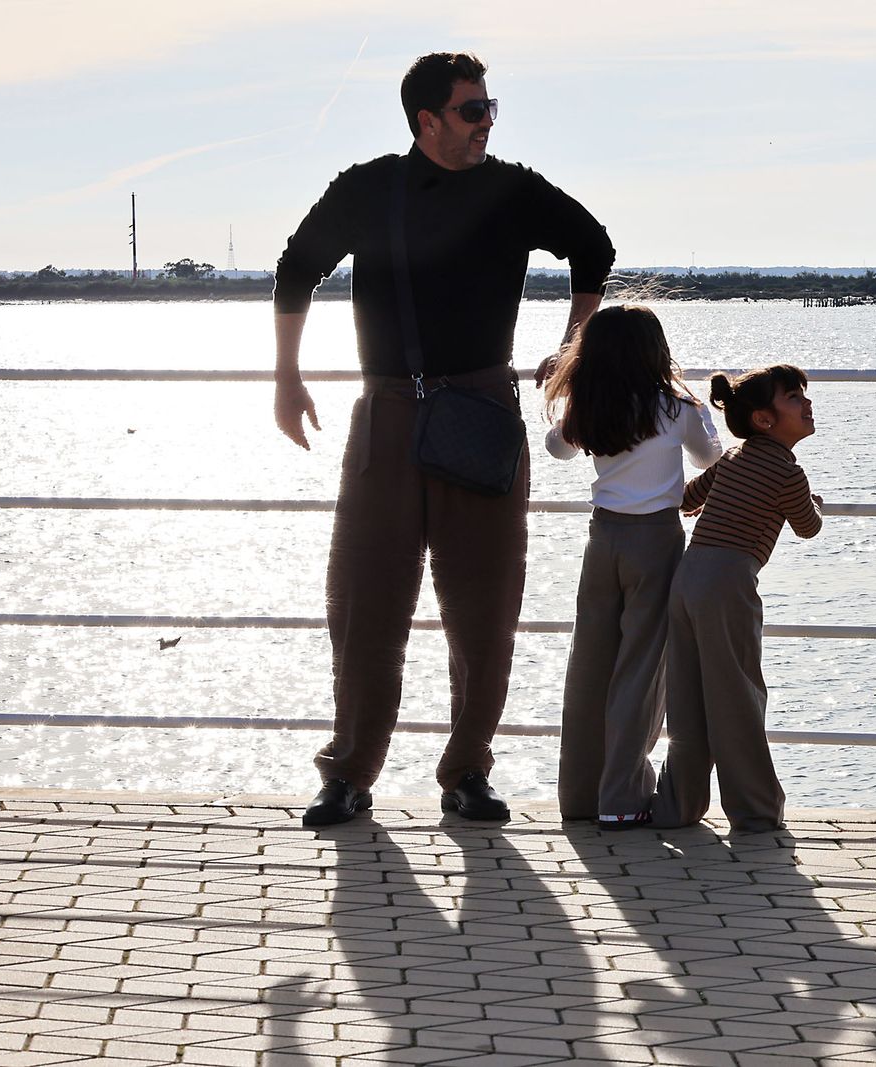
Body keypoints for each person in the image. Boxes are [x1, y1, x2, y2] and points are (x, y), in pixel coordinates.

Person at [271, 51, 615, 827]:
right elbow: (295, 270)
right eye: (471, 110)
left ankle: (467, 772)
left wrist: (573, 349)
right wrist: (286, 377)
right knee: (364, 604)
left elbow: (595, 246)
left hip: (482, 412)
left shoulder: (513, 190)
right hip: (387, 415)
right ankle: (350, 774)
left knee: (485, 611)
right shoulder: (368, 188)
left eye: (491, 107)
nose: (487, 121)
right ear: (426, 120)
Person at [544, 304, 722, 830]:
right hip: (656, 540)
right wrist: (703, 412)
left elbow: (557, 450)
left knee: (591, 665)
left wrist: (569, 398)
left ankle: (581, 794)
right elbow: (709, 458)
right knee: (642, 669)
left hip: (603, 538)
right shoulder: (674, 407)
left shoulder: (590, 405)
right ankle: (621, 797)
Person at [650, 366, 823, 834]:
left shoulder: (731, 458)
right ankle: (755, 812)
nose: (806, 403)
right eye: (794, 397)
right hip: (729, 581)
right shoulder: (788, 473)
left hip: (688, 575)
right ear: (765, 420)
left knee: (687, 698)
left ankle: (677, 806)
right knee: (738, 694)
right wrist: (809, 500)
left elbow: (688, 500)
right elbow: (808, 527)